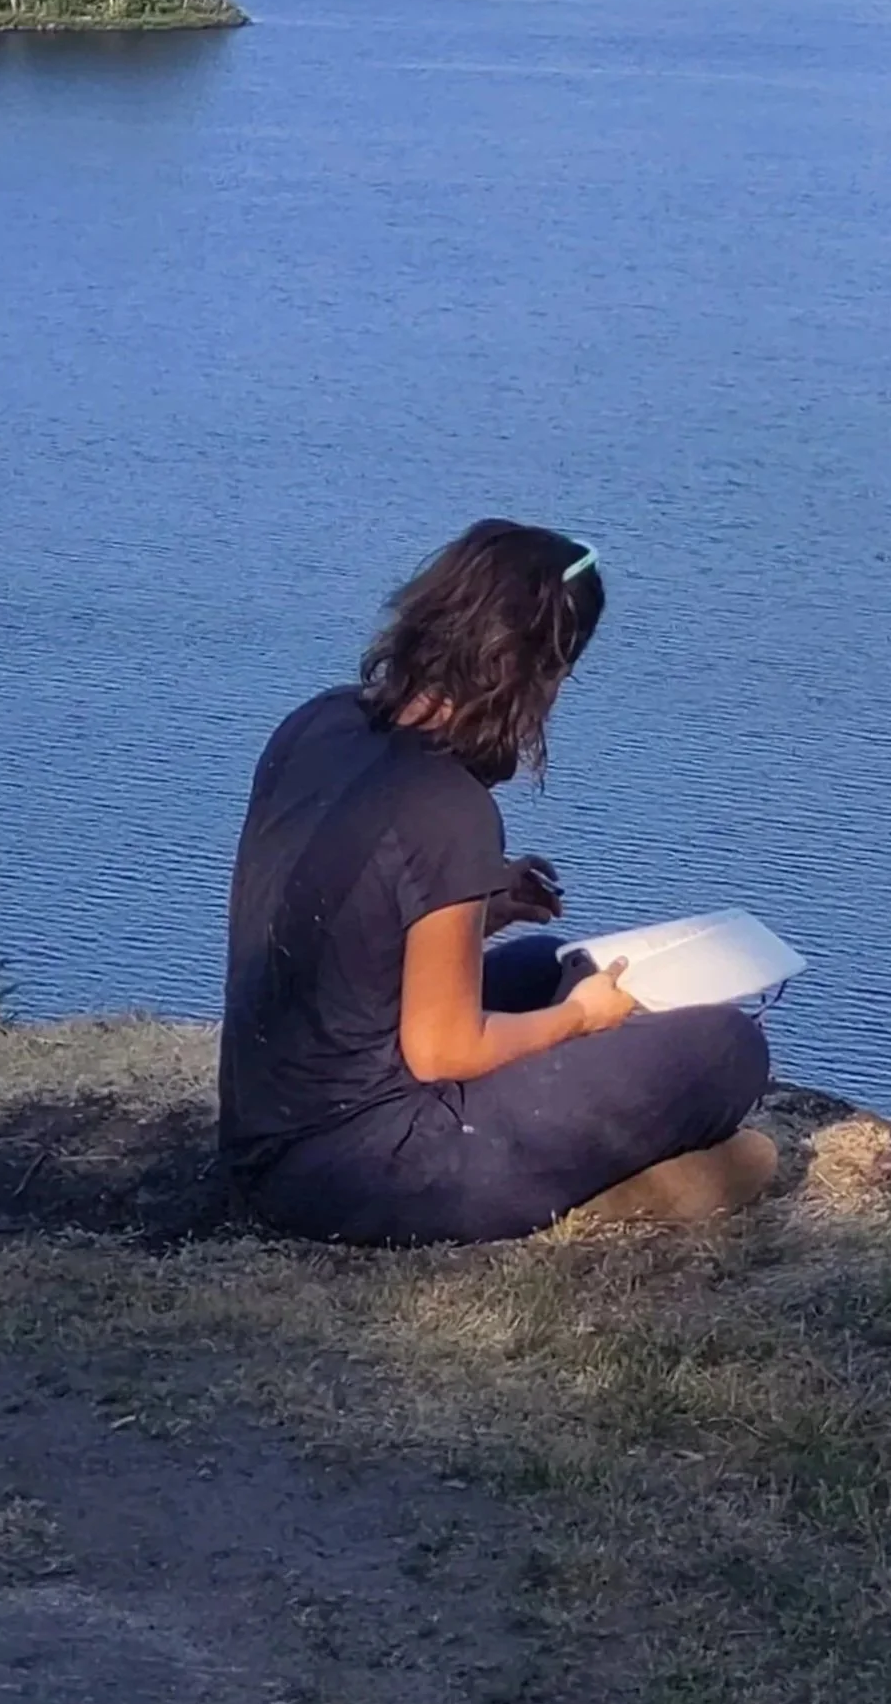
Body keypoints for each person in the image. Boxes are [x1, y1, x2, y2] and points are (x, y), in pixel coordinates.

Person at [219, 520, 777, 1244]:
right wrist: (582, 1019)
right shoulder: (448, 804)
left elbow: (336, 925)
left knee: (546, 965)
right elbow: (443, 1051)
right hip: (367, 1172)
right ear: (532, 671)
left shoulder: (319, 722)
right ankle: (617, 1194)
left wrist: (475, 906)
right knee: (726, 1048)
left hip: (265, 1131)